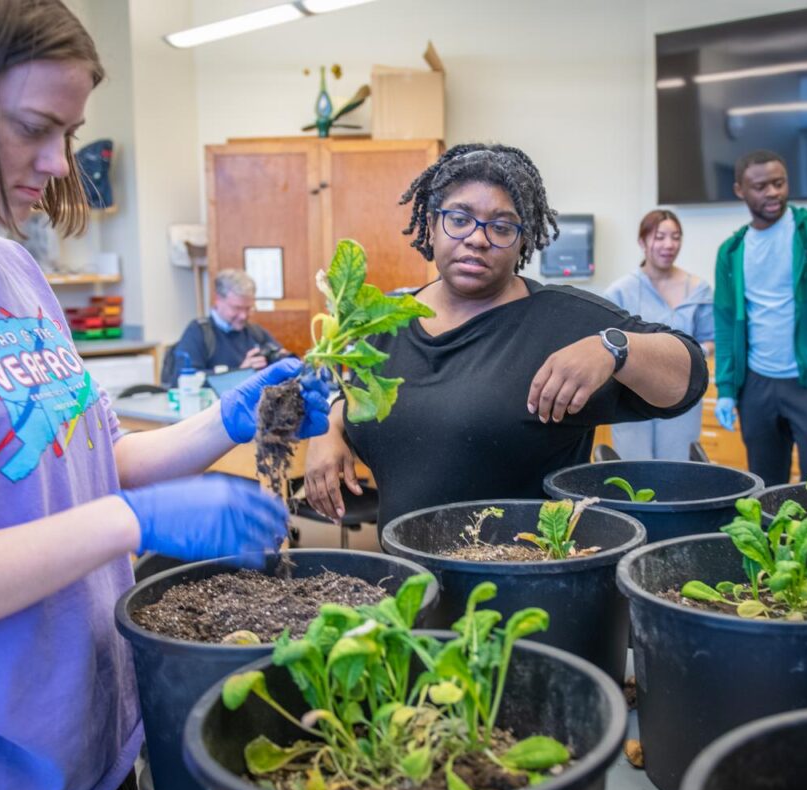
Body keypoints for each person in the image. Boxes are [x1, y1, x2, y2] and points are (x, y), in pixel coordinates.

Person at [0, 2, 330, 790]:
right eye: (33, 126)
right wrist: (131, 523)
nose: (58, 164)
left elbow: (95, 462)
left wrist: (229, 420)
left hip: (89, 752)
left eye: (70, 134)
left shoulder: (16, 269)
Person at [304, 143, 709, 528]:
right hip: (409, 587)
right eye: (459, 219)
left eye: (501, 226)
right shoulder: (388, 321)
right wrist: (330, 428)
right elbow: (359, 395)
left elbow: (687, 376)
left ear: (524, 240)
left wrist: (614, 348)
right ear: (431, 224)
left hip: (523, 584)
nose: (477, 238)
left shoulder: (560, 319)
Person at [713, 149, 807, 485]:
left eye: (779, 183)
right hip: (757, 387)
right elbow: (725, 323)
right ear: (740, 191)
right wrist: (726, 388)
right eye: (761, 186)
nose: (773, 193)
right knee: (764, 487)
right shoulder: (732, 252)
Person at [603, 210, 714, 460]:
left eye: (675, 237)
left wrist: (695, 354)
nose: (668, 245)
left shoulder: (698, 289)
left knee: (678, 469)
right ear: (642, 242)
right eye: (659, 237)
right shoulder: (620, 293)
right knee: (634, 470)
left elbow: (710, 337)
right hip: (631, 396)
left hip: (681, 393)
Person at [160, 268, 288, 384]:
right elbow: (183, 379)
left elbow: (284, 360)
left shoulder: (255, 333)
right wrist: (241, 373)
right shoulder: (199, 332)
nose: (243, 316)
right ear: (218, 300)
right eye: (236, 308)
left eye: (248, 308)